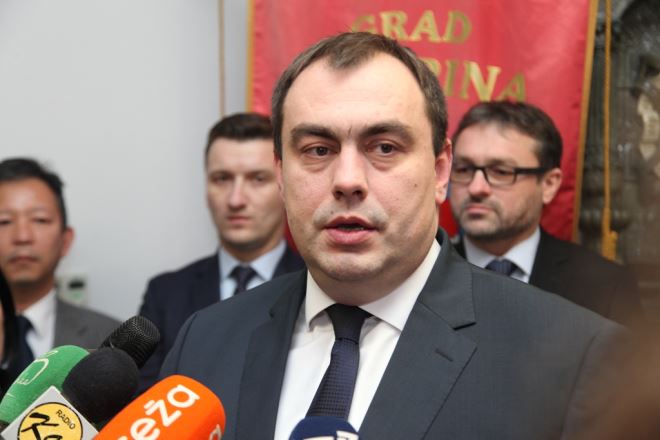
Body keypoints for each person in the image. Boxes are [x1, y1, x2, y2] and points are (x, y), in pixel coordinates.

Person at [161, 32, 628, 439]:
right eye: (318, 150)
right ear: (281, 174)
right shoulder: (205, 341)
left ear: (440, 171)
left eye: (384, 147)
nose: (347, 180)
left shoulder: (574, 357)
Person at [138, 112, 305, 391]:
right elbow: (145, 402)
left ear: (284, 186)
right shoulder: (165, 294)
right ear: (206, 188)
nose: (236, 199)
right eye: (222, 178)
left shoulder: (320, 285)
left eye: (257, 179)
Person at [449, 100, 644, 328]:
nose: (476, 188)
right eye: (463, 169)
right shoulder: (422, 271)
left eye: (501, 172)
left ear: (549, 184)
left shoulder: (604, 287)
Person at [0, 158, 120, 384]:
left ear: (65, 240)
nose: (22, 237)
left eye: (40, 220)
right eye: (4, 221)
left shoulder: (109, 337)